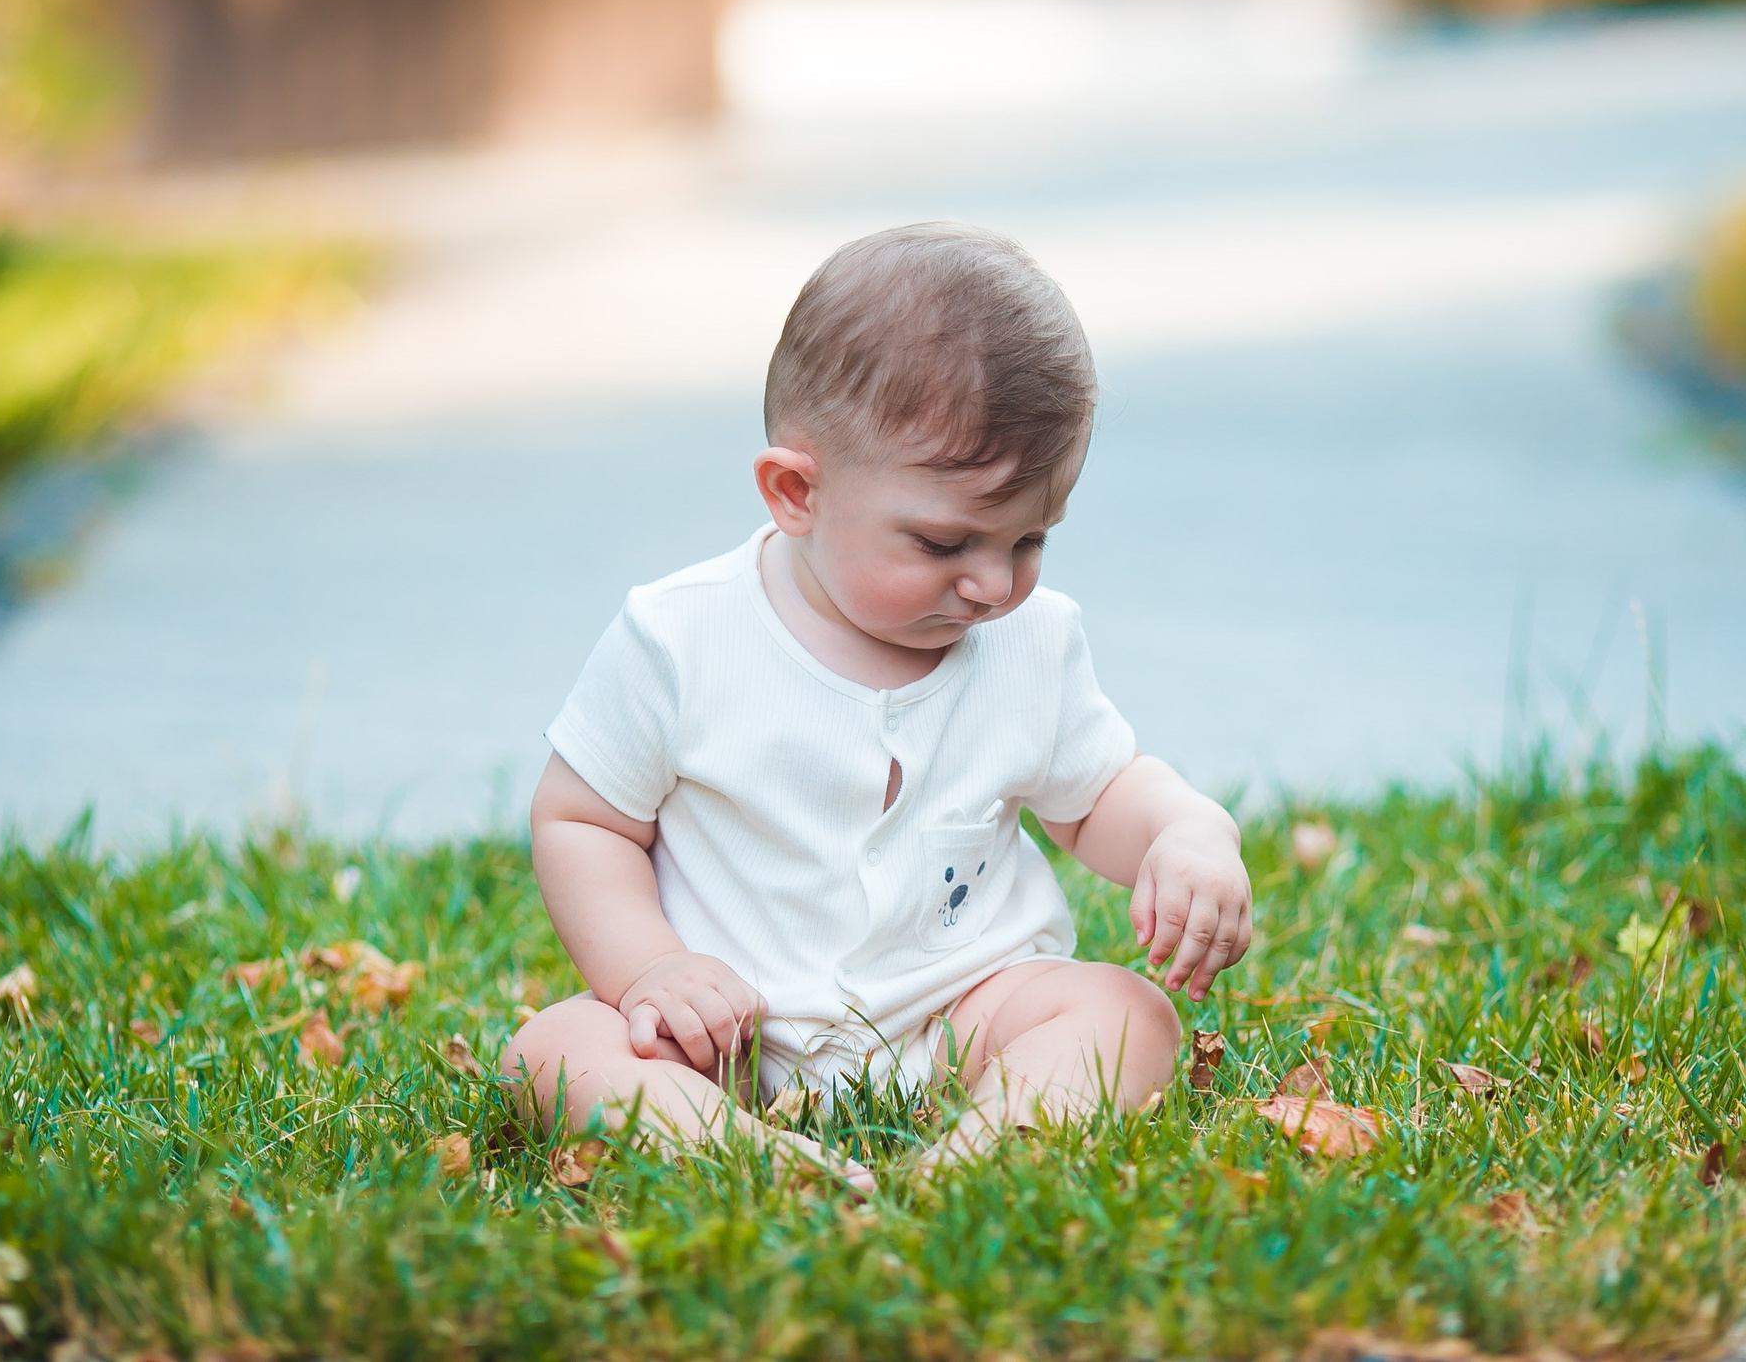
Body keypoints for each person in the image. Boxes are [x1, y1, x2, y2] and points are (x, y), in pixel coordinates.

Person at [503, 223, 1255, 1188]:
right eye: (946, 544)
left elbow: (1101, 795)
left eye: (1030, 539)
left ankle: (968, 1159)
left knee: (1127, 1013)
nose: (993, 583)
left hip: (962, 1019)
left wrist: (1186, 832)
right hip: (729, 1030)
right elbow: (581, 819)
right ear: (795, 492)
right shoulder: (680, 638)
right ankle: (758, 1158)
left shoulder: (1031, 643)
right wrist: (651, 970)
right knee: (554, 1047)